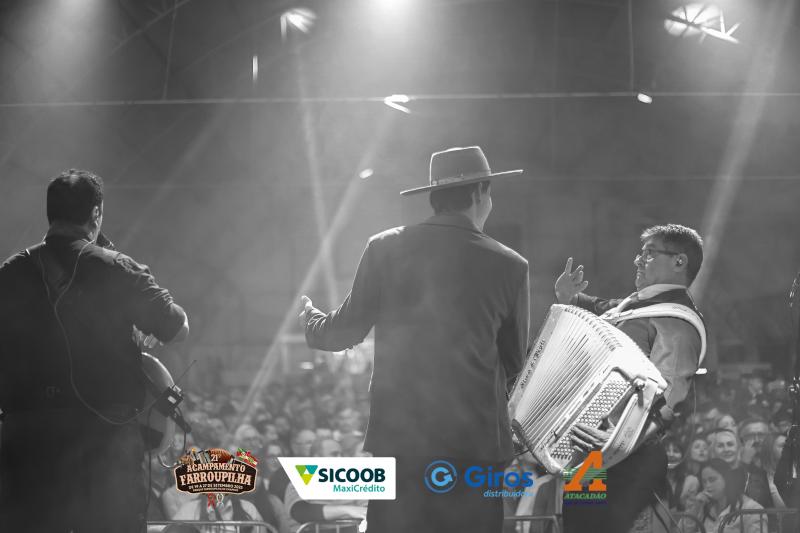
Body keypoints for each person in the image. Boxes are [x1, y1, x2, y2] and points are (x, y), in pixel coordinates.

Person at [300, 146, 530, 533]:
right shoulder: (510, 265)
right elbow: (514, 362)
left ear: (434, 196)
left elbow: (342, 333)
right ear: (480, 193)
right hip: (476, 450)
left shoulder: (384, 248)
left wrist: (311, 320)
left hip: (402, 445)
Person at [0, 169, 189, 532]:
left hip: (27, 444)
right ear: (96, 213)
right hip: (104, 444)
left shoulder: (9, 273)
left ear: (50, 213)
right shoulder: (117, 268)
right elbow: (177, 329)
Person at [554, 223, 706, 533]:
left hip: (630, 459)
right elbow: (605, 308)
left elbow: (670, 399)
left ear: (679, 262)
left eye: (649, 253)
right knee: (580, 526)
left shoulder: (677, 321)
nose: (638, 260)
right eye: (641, 252)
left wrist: (621, 441)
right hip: (594, 453)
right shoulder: (637, 306)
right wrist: (572, 297)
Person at [682, 458, 767, 533]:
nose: (707, 486)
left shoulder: (751, 509)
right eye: (704, 482)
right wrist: (695, 508)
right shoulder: (702, 505)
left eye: (712, 480)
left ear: (726, 478)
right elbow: (681, 531)